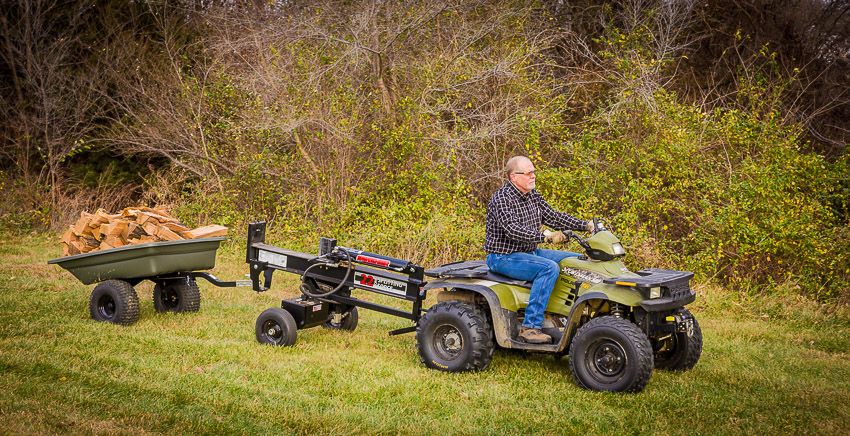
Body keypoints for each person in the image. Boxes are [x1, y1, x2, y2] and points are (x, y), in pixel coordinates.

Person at [484, 156, 594, 344]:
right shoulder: (501, 198)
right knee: (548, 268)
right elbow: (513, 230)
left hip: (529, 253)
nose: (533, 176)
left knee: (575, 261)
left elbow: (554, 217)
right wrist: (545, 237)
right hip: (503, 257)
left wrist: (585, 225)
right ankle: (530, 327)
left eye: (534, 172)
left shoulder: (532, 195)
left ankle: (563, 317)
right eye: (528, 173)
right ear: (514, 177)